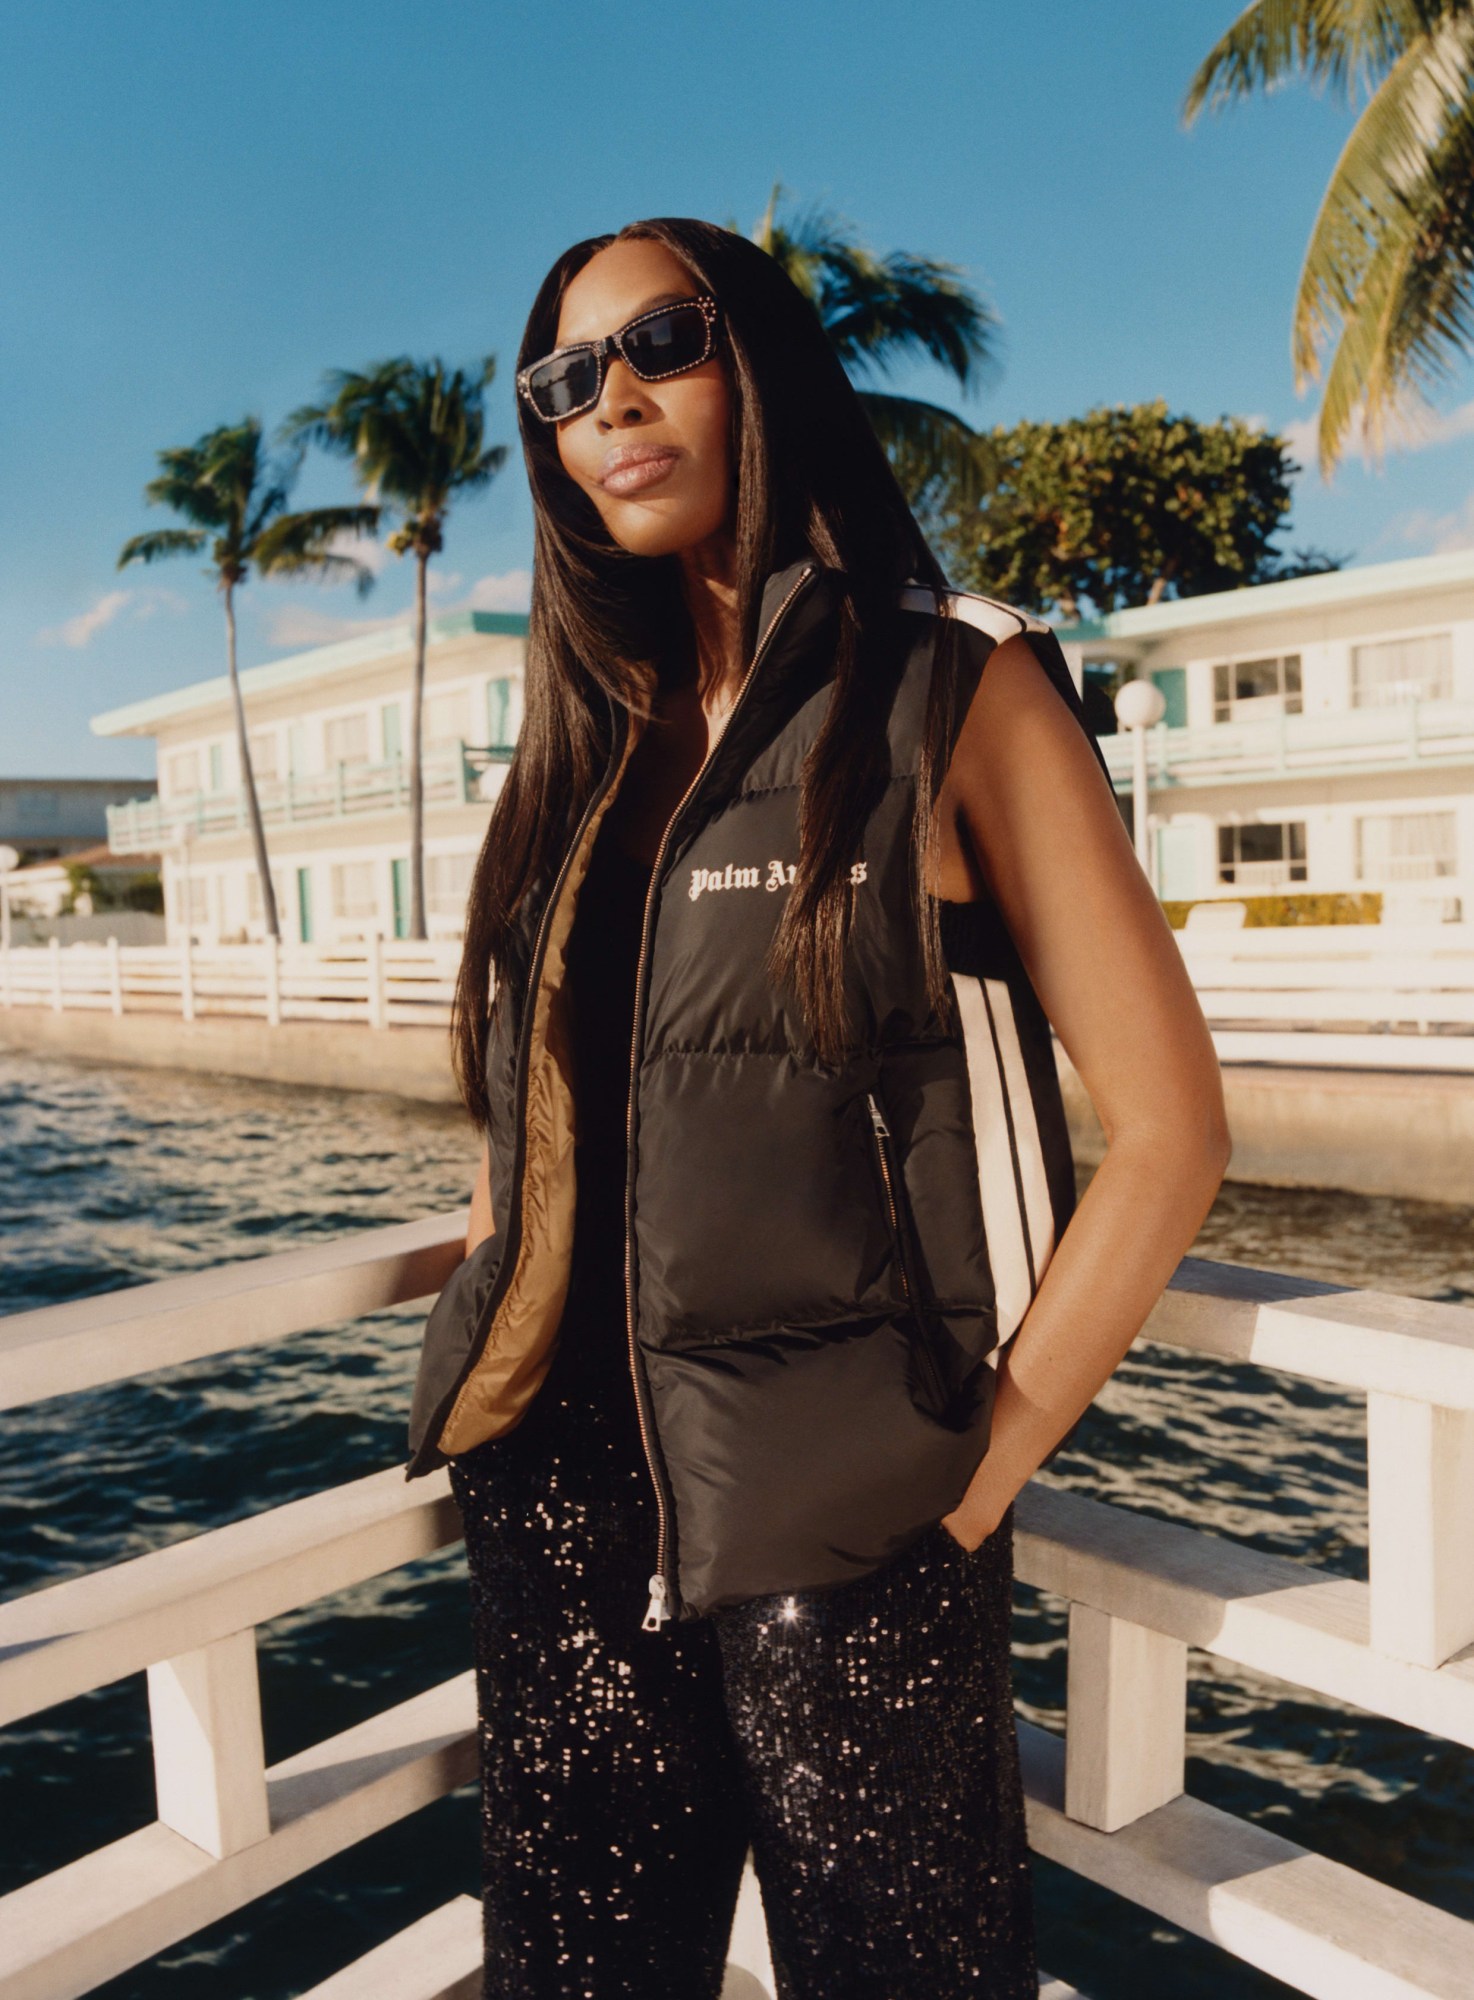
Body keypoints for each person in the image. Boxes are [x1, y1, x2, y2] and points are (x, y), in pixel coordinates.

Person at [404, 216, 1230, 2000]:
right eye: (562, 382)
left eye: (663, 344)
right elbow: (522, 1136)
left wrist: (969, 1475)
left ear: (761, 360)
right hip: (558, 1508)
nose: (609, 401)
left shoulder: (951, 686)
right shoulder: (578, 752)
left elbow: (1170, 1132)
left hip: (842, 1525)